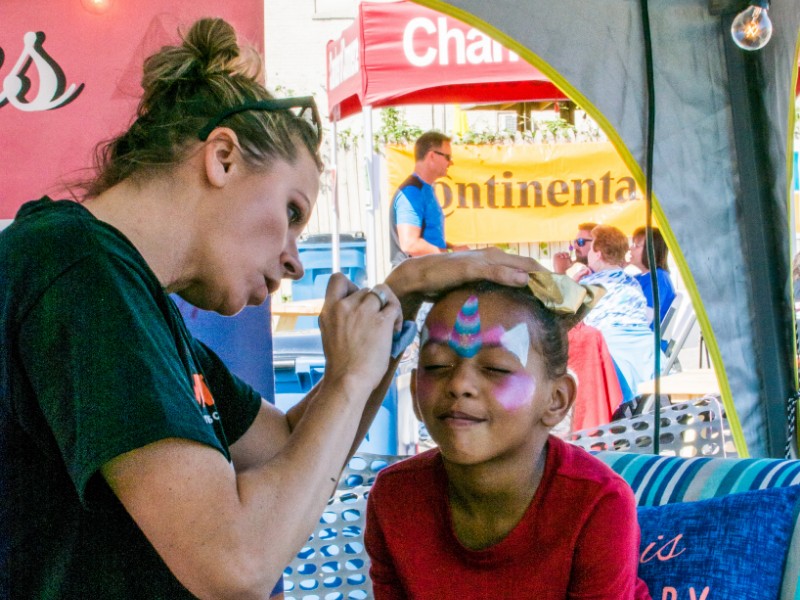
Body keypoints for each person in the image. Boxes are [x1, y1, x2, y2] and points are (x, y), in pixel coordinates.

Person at [0, 18, 548, 600]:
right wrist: (349, 379)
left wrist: (400, 298)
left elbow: (290, 447)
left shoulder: (126, 294)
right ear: (224, 158)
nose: (294, 261)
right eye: (291, 212)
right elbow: (234, 563)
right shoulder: (77, 268)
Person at [365, 276, 651, 599]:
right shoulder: (395, 499)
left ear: (556, 399)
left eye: (496, 368)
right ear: (416, 390)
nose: (459, 383)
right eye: (437, 364)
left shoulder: (596, 506)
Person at [581, 225, 663, 401]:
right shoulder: (633, 283)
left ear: (598, 253)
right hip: (648, 357)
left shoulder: (587, 286)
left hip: (612, 361)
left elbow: (566, 320)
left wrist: (573, 281)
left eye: (590, 247)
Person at [389, 130, 467, 266]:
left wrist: (451, 248)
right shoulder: (412, 192)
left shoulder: (425, 188)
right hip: (414, 279)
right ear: (431, 156)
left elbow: (429, 238)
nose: (451, 163)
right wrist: (449, 254)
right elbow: (410, 244)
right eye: (448, 157)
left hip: (427, 273)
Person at [628, 226, 676, 327]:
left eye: (637, 246)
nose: (630, 248)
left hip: (644, 339)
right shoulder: (639, 278)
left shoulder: (658, 279)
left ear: (651, 251)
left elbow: (645, 318)